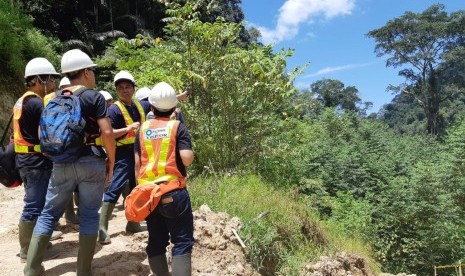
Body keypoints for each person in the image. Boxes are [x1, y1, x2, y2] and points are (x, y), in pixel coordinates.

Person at [24, 49, 116, 276]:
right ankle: (83, 271)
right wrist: (111, 161)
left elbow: (40, 132)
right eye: (92, 71)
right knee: (88, 215)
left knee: (48, 213)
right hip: (91, 161)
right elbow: (106, 131)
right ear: (85, 72)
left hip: (61, 163)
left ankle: (32, 269)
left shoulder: (54, 98)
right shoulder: (94, 96)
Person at [134, 82, 194, 276]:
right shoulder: (178, 127)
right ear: (174, 108)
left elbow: (137, 164)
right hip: (173, 192)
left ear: (151, 106)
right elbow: (186, 158)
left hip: (149, 193)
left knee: (156, 241)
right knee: (182, 242)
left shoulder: (142, 130)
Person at [14, 58, 62, 264]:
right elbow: (46, 133)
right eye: (50, 80)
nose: (52, 84)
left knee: (37, 203)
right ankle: (27, 249)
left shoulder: (23, 100)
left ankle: (37, 243)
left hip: (25, 159)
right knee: (34, 205)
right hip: (35, 162)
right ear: (39, 80)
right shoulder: (35, 102)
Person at [98, 70, 150, 244]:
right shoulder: (113, 109)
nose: (124, 90)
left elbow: (157, 105)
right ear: (117, 90)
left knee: (137, 187)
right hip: (123, 153)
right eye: (120, 88)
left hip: (138, 152)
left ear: (134, 88)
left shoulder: (139, 105)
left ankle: (133, 223)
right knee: (115, 187)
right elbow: (108, 134)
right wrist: (128, 129)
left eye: (128, 87)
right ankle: (102, 229)